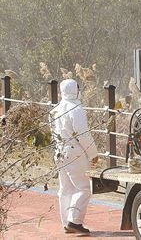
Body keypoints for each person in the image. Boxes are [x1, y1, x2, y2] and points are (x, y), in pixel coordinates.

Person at [50, 78, 99, 235]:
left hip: (59, 151)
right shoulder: (76, 109)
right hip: (74, 152)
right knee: (84, 188)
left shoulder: (56, 109)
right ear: (75, 90)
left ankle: (67, 223)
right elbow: (83, 135)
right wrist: (93, 154)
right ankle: (75, 221)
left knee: (65, 189)